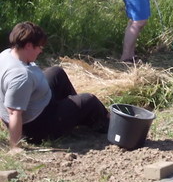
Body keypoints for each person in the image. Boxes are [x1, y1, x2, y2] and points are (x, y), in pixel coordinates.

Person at [0, 22, 109, 152]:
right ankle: (109, 125)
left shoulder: (6, 54)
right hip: (37, 127)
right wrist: (15, 146)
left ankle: (75, 115)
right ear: (28, 46)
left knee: (56, 73)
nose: (41, 50)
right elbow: (14, 112)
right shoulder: (21, 76)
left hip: (38, 105)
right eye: (39, 47)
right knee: (89, 100)